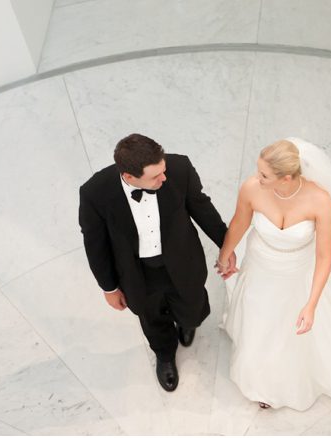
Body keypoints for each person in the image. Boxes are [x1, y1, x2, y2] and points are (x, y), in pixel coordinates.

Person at [217, 138, 331, 416]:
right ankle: (262, 381)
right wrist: (226, 253)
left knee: (293, 331)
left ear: (286, 178)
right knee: (259, 321)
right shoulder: (252, 188)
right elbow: (240, 222)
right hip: (261, 267)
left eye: (264, 175)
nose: (257, 178)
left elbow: (324, 256)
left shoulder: (320, 201)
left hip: (300, 272)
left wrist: (311, 305)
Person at [79, 133, 234, 392]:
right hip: (136, 273)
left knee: (192, 306)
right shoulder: (95, 192)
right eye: (155, 176)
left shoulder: (179, 168)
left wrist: (225, 245)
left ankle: (187, 323)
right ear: (129, 177)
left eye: (163, 170)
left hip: (183, 261)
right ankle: (164, 354)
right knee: (151, 317)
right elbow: (95, 245)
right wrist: (109, 288)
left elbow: (202, 209)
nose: (164, 178)